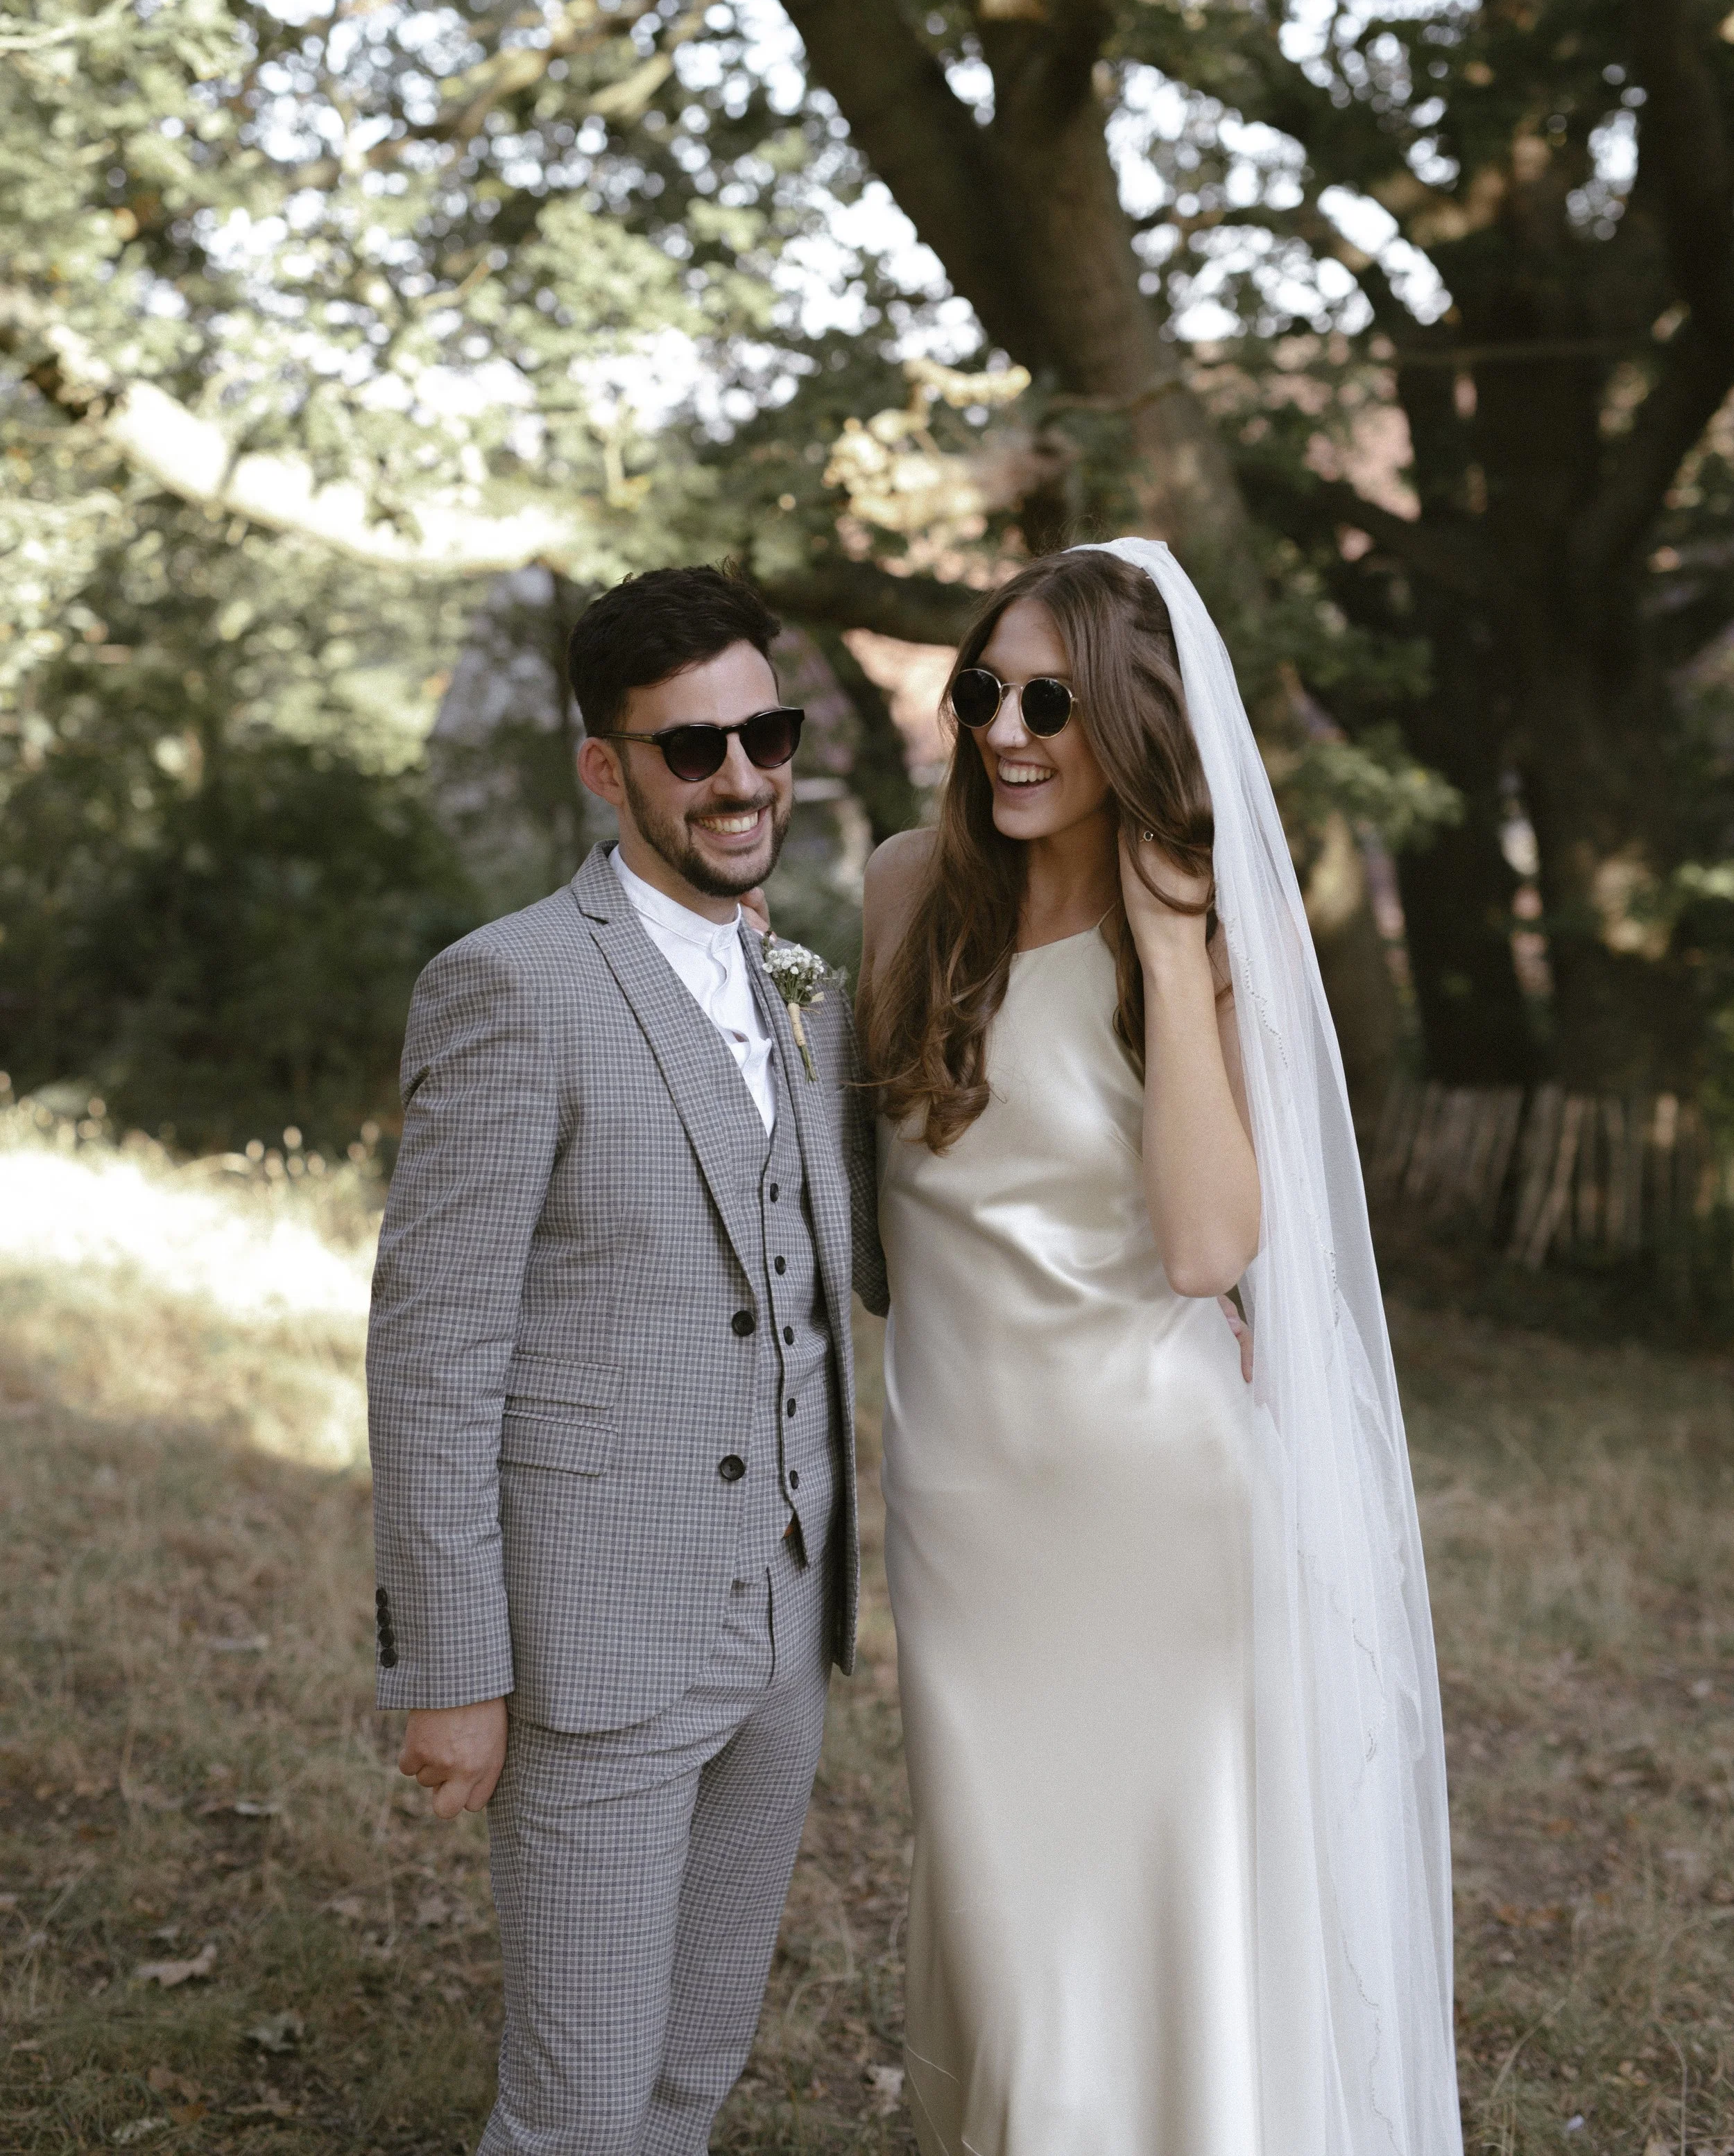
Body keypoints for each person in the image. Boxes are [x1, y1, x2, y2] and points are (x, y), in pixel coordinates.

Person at [859, 540, 1462, 2156]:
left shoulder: (1189, 947)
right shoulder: (902, 895)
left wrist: (1176, 938)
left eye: (1049, 701)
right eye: (979, 691)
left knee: (1160, 1940)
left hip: (1154, 1520)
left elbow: (1208, 1248)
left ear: (1128, 721)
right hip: (961, 1522)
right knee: (1005, 1940)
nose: (1002, 733)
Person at [366, 563, 885, 2156]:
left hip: (784, 1623)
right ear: (608, 768)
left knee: (688, 2073)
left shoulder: (794, 982)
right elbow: (433, 1349)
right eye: (690, 748)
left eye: (764, 734)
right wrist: (452, 1670)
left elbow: (838, 1264)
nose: (740, 778)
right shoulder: (512, 984)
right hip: (598, 1643)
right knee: (578, 2106)